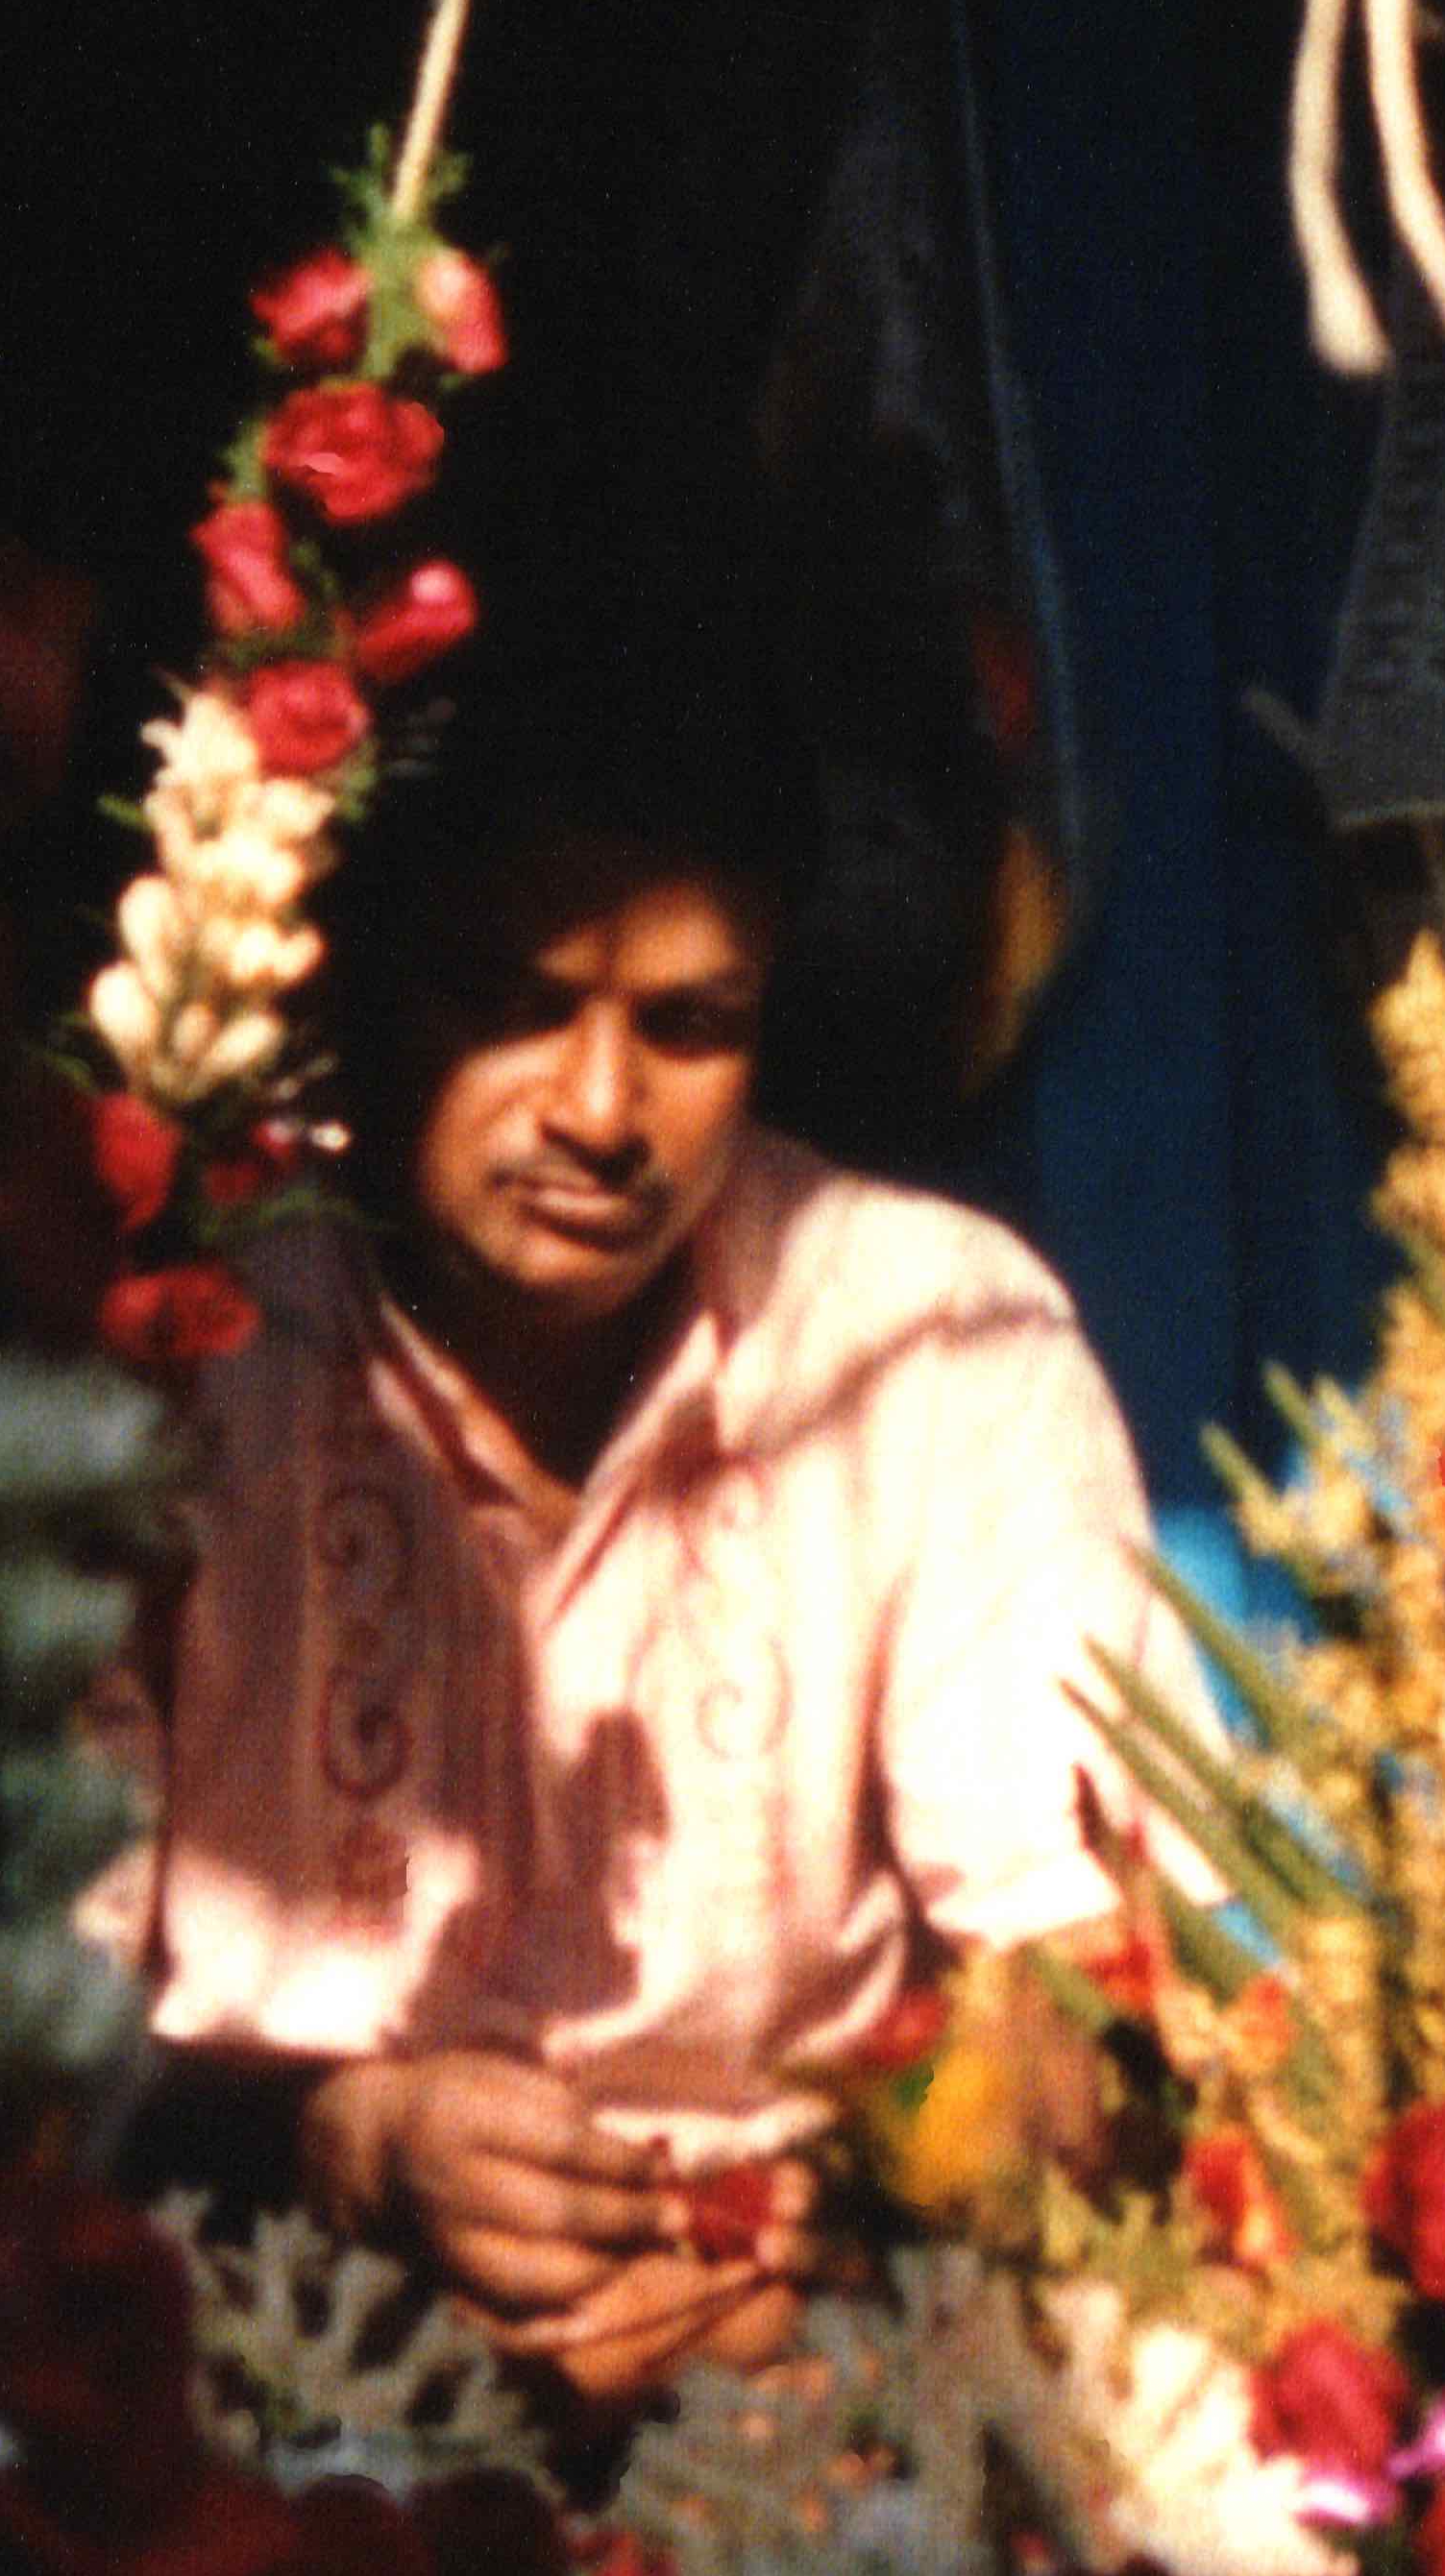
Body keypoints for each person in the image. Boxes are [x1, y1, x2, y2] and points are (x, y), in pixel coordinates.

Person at [100, 592, 1155, 2397]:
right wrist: (350, 2146)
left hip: (802, 2385)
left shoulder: (935, 1339)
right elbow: (12, 2051)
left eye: (687, 1023)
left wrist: (837, 2221)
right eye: (515, 1003)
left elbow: (1090, 1979)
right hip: (233, 2361)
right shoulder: (184, 1355)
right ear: (360, 996)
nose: (600, 1107)